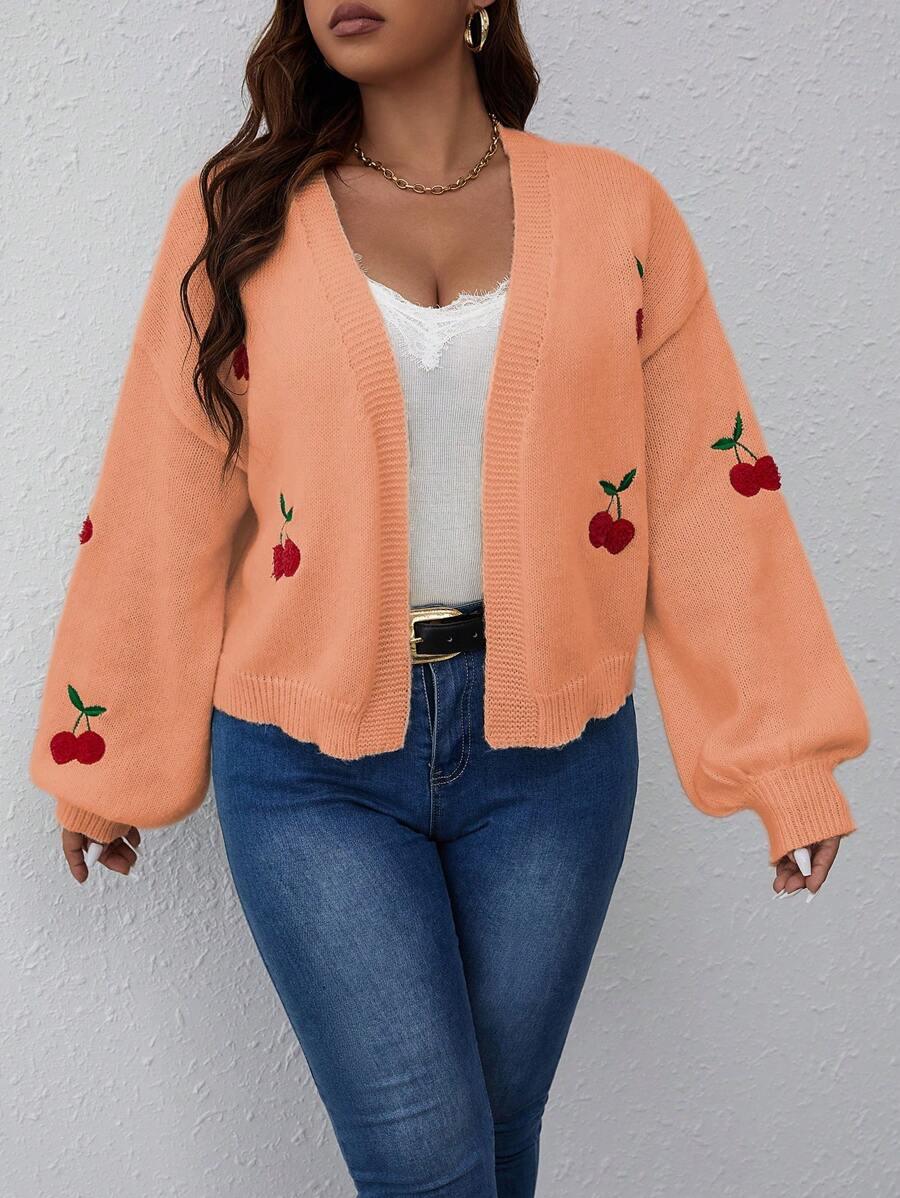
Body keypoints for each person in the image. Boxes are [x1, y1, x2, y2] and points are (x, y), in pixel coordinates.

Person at [29, 1, 870, 1193]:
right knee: (429, 1160)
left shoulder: (619, 211)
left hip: (558, 763)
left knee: (497, 1144)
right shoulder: (238, 213)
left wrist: (785, 759)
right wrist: (104, 755)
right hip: (305, 763)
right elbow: (159, 494)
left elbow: (707, 488)